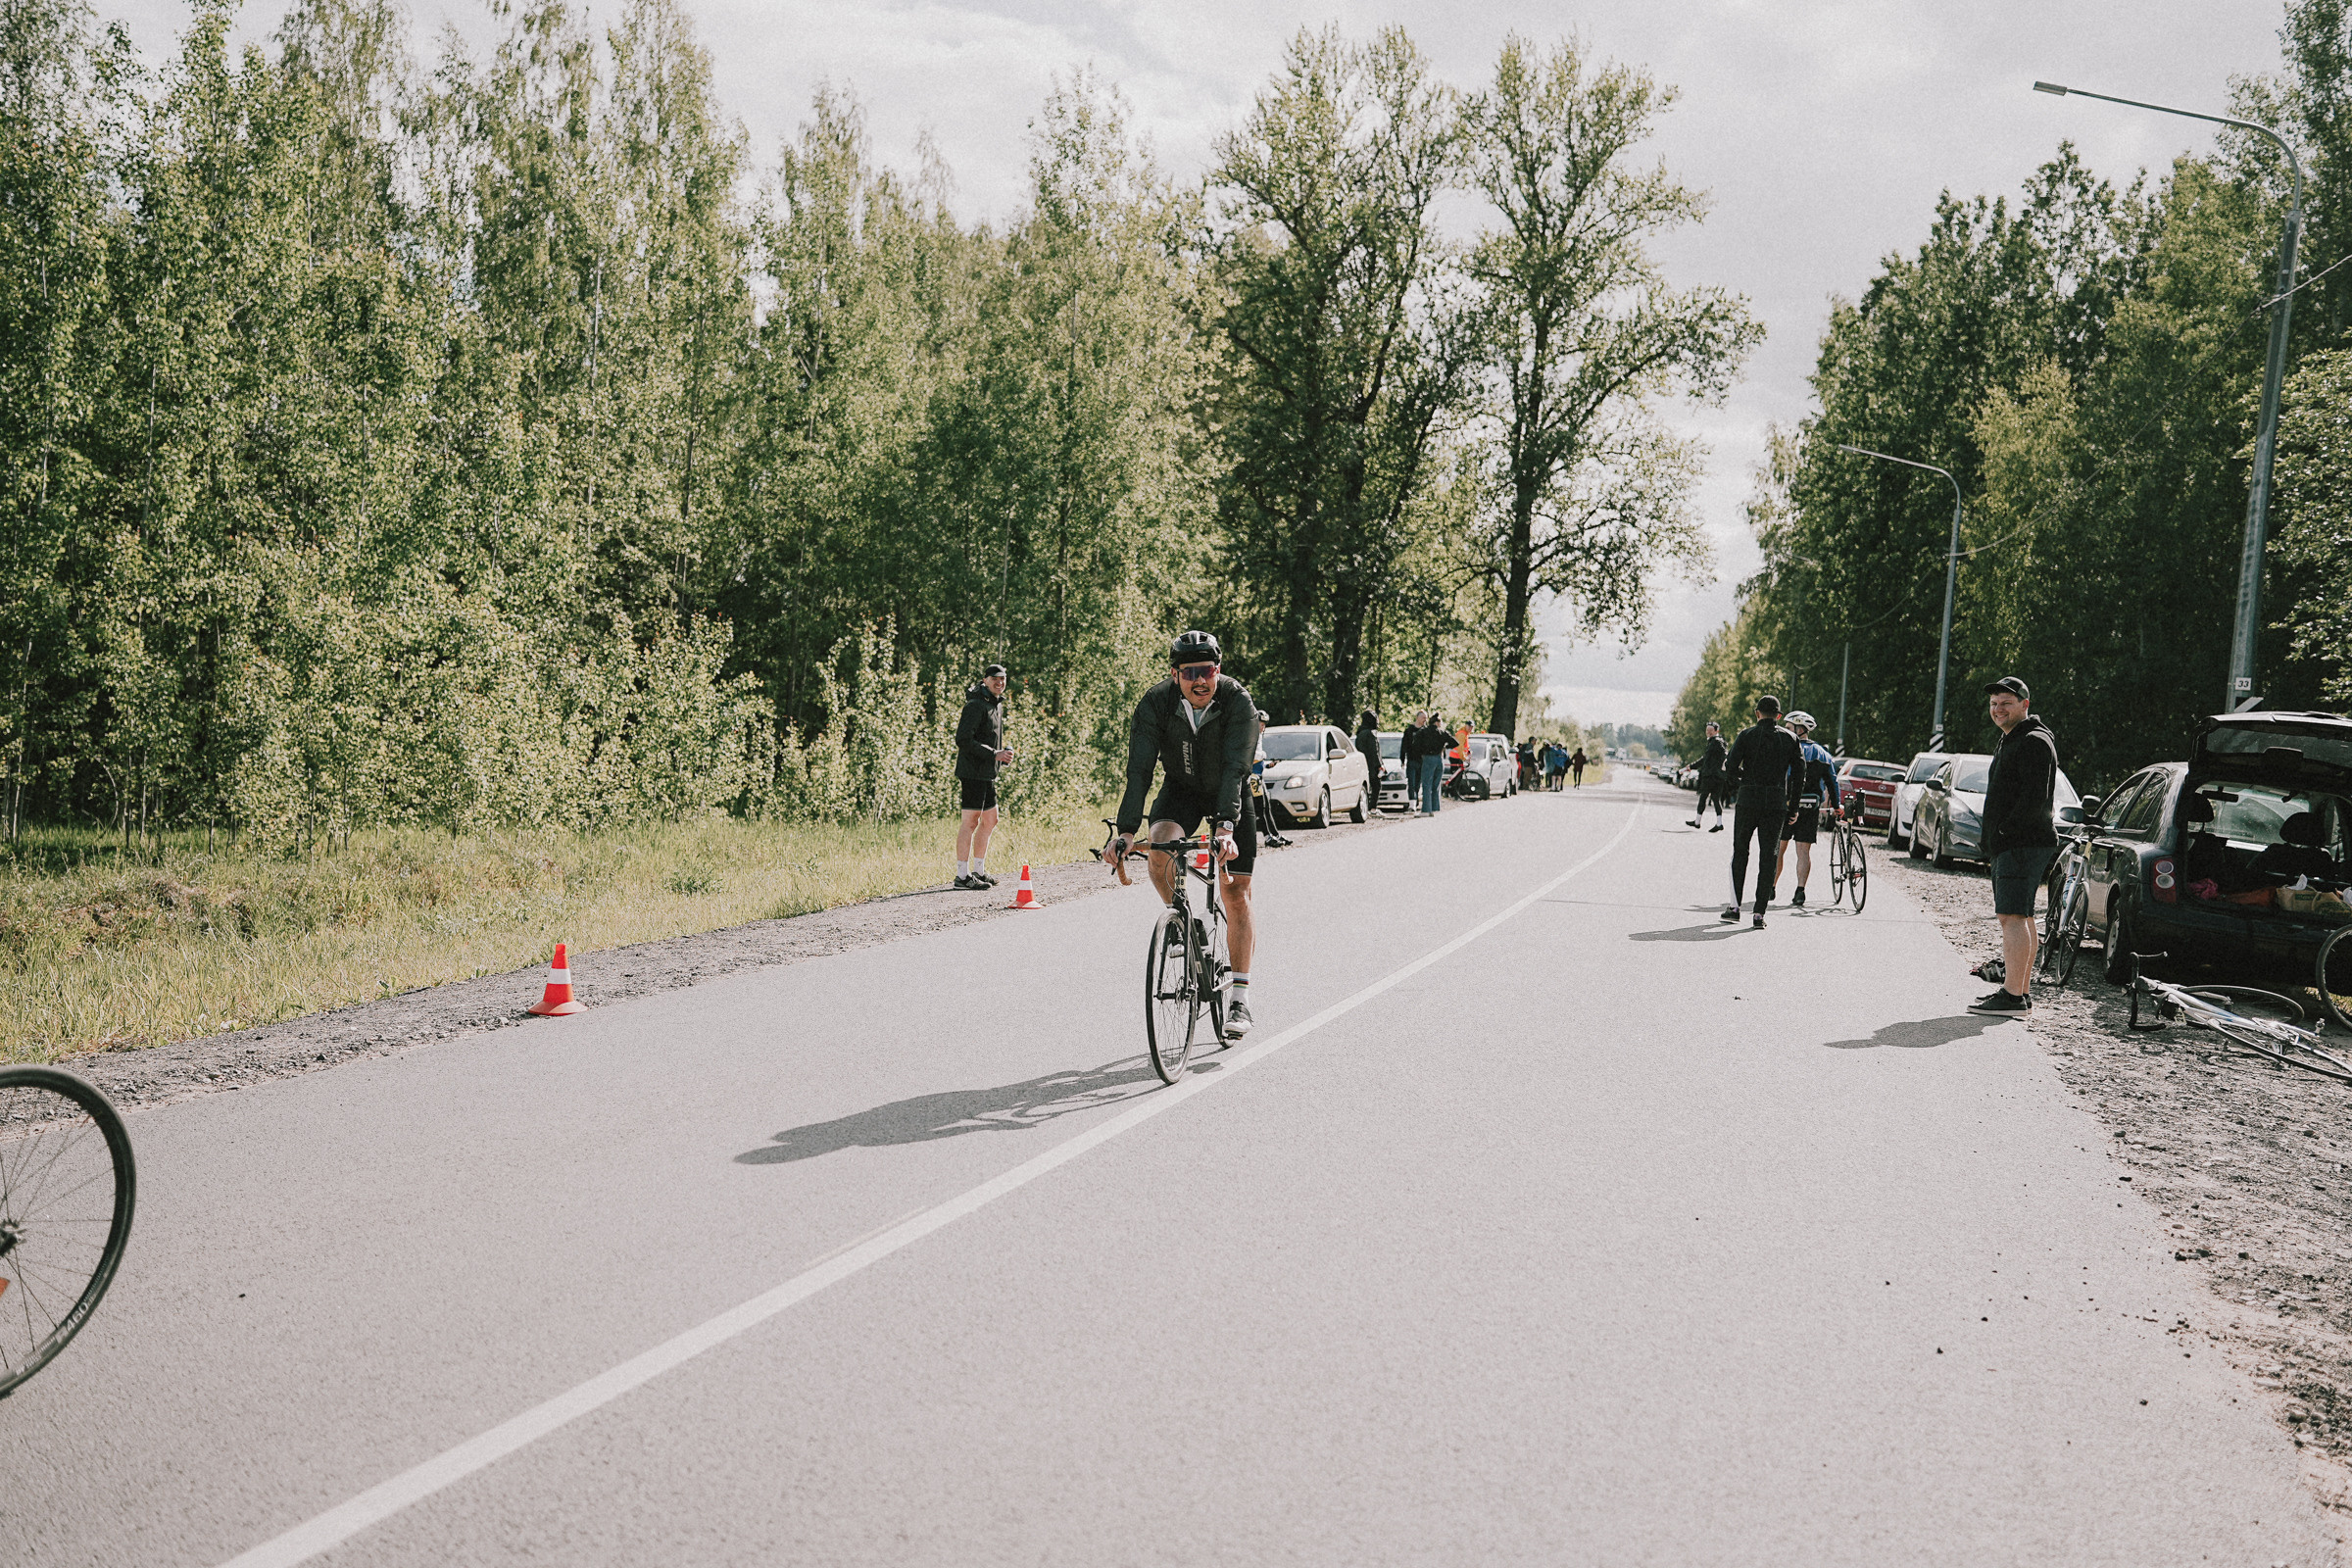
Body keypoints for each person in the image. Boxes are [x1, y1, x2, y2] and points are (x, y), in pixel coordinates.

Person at [1105, 631, 1261, 1037]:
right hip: (1182, 791)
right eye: (1189, 672)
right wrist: (1125, 831)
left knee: (1236, 893)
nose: (1199, 681)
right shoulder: (1156, 703)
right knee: (1159, 850)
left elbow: (1235, 770)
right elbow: (1138, 771)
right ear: (1175, 675)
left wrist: (1226, 829)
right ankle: (1190, 927)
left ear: (1217, 670)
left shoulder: (1238, 702)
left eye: (1206, 671)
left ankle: (1240, 1001)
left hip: (1231, 793)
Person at [1972, 676, 2060, 1014]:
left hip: (2022, 843)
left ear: (2025, 704)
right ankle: (2019, 993)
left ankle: (2011, 996)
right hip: (2020, 843)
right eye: (1994, 704)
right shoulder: (2014, 739)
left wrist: (2005, 834)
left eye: (2006, 703)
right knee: (2021, 917)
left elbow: (2034, 799)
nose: (1998, 709)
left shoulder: (2033, 741)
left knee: (2010, 917)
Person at [1719, 694, 1803, 927]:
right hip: (1776, 805)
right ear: (1778, 716)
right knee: (1769, 856)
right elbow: (1799, 775)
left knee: (1741, 852)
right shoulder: (1791, 739)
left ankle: (1735, 907)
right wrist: (1793, 806)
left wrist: (1743, 783)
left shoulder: (1746, 735)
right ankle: (1759, 914)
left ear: (1757, 713)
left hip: (1748, 801)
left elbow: (1730, 767)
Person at [954, 663, 1014, 889]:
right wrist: (994, 754)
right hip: (972, 773)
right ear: (985, 680)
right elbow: (963, 740)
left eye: (1003, 679)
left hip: (987, 773)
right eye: (995, 679)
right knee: (970, 822)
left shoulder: (995, 705)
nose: (1000, 683)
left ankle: (978, 871)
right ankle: (962, 876)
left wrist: (1004, 753)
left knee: (991, 820)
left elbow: (989, 739)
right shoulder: (975, 705)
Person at [1773, 711, 1841, 907]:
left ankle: (1771, 886)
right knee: (1804, 851)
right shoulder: (1823, 753)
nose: (1786, 731)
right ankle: (1800, 891)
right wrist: (1837, 806)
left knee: (1779, 849)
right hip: (1811, 807)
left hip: (1786, 806)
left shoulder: (1787, 747)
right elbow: (1832, 782)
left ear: (1799, 728)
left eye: (1788, 727)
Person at [1688, 721, 1728, 831]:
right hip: (1717, 776)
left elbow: (1706, 759)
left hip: (1711, 776)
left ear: (1716, 731)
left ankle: (1697, 822)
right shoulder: (1717, 742)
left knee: (1703, 797)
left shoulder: (1716, 742)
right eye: (1707, 731)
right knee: (1715, 799)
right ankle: (1719, 823)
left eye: (1710, 731)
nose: (1708, 733)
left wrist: (1691, 766)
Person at [1354, 710, 1383, 808]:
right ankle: (1372, 808)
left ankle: (1367, 808)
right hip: (1371, 765)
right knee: (1376, 786)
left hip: (1363, 763)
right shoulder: (1370, 734)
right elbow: (1374, 751)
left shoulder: (1360, 733)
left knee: (1366, 787)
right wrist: (1379, 765)